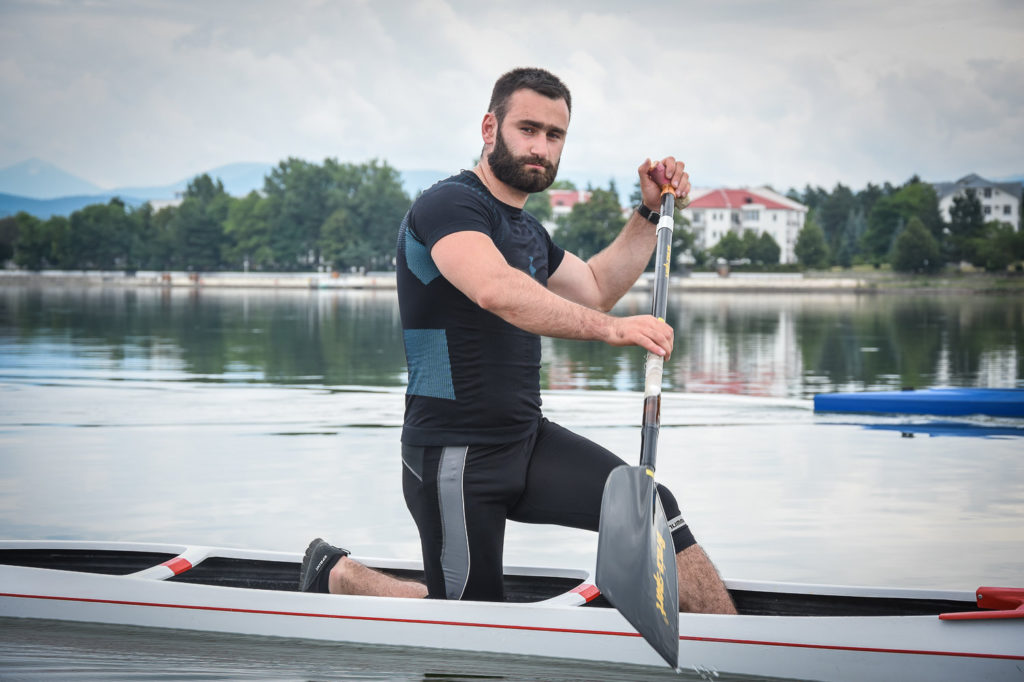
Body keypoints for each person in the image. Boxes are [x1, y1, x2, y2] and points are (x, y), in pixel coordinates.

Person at [300, 67, 736, 614]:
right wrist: (615, 330)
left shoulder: (528, 232)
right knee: (471, 614)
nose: (541, 147)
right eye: (528, 129)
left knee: (650, 510)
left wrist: (648, 212)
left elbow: (598, 287)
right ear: (490, 128)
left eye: (555, 136)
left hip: (528, 442)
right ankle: (342, 576)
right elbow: (494, 290)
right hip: (454, 456)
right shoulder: (447, 206)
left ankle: (740, 646)